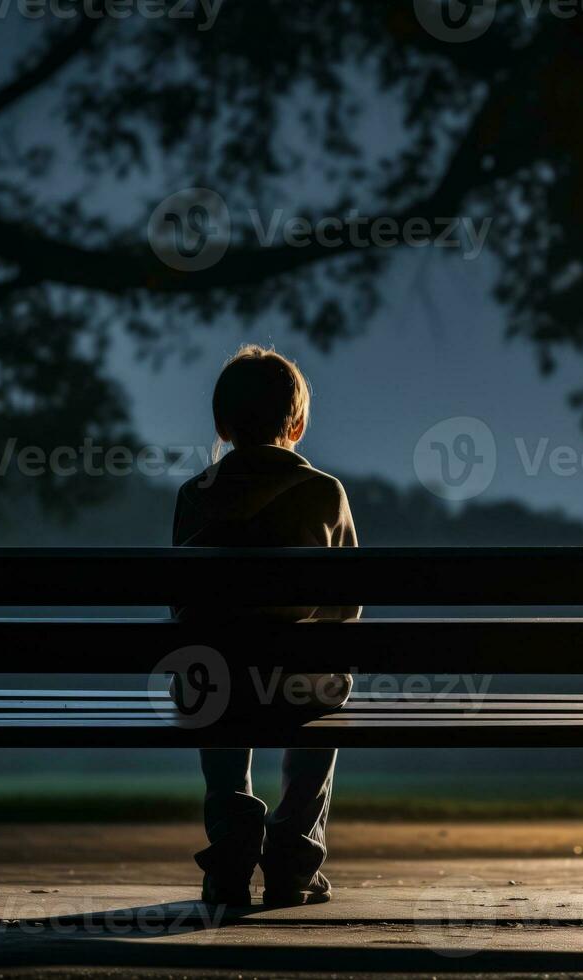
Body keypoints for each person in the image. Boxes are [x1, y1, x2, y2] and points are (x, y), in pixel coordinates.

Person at [171, 344, 359, 908]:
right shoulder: (325, 493)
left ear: (222, 425)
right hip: (297, 685)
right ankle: (294, 856)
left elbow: (183, 605)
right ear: (297, 424)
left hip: (217, 683)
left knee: (209, 665)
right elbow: (345, 609)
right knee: (325, 675)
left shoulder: (195, 495)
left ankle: (231, 851)